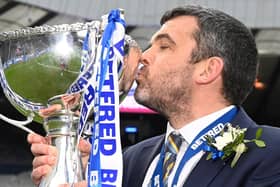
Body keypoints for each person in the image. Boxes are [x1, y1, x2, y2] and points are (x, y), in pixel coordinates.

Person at [28, 5, 280, 187]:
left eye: (164, 46)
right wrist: (81, 171)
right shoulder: (130, 160)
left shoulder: (271, 152)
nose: (144, 56)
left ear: (208, 69)